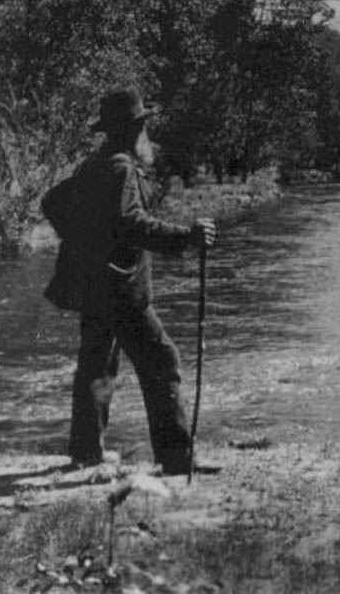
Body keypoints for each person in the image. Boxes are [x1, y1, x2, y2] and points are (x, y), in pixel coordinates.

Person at [42, 87, 216, 475]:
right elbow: (131, 224)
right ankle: (175, 459)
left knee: (97, 368)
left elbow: (51, 202)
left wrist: (85, 246)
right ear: (133, 128)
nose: (145, 134)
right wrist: (185, 237)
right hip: (122, 291)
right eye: (142, 126)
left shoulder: (93, 165)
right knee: (162, 360)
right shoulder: (121, 168)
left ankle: (86, 453)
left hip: (95, 288)